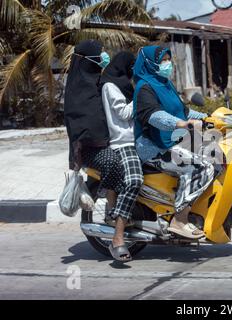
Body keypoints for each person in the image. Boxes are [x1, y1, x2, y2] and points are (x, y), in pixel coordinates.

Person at [133, 45, 214, 239]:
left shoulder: (165, 84)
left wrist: (208, 118)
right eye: (162, 60)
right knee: (201, 168)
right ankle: (180, 220)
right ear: (150, 63)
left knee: (215, 155)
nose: (167, 64)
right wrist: (182, 124)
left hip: (173, 141)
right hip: (154, 148)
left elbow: (183, 111)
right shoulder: (144, 87)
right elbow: (154, 116)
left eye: (168, 60)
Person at [63, 40, 130, 262]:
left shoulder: (99, 81)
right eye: (99, 54)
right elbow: (79, 124)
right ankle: (112, 208)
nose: (104, 56)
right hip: (90, 149)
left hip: (109, 141)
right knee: (112, 162)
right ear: (87, 58)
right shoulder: (77, 88)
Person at [99, 51, 144, 254]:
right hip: (122, 142)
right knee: (134, 180)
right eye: (131, 66)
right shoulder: (110, 86)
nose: (133, 70)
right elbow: (124, 113)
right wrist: (141, 95)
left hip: (135, 140)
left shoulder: (123, 85)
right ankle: (118, 237)